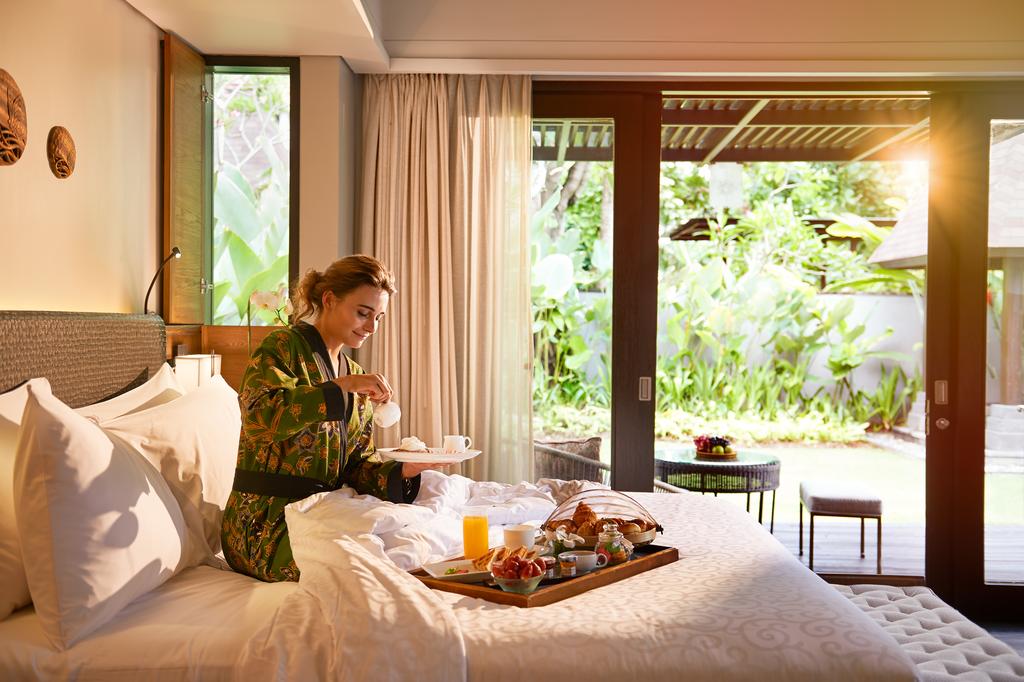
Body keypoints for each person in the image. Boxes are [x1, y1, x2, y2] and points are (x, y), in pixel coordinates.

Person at [221, 254, 436, 582]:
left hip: (324, 513)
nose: (372, 327)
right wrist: (341, 387)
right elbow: (259, 418)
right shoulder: (283, 347)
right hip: (265, 524)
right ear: (329, 299)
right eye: (363, 313)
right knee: (357, 568)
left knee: (411, 547)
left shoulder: (354, 373)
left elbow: (356, 467)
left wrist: (405, 470)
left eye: (378, 317)